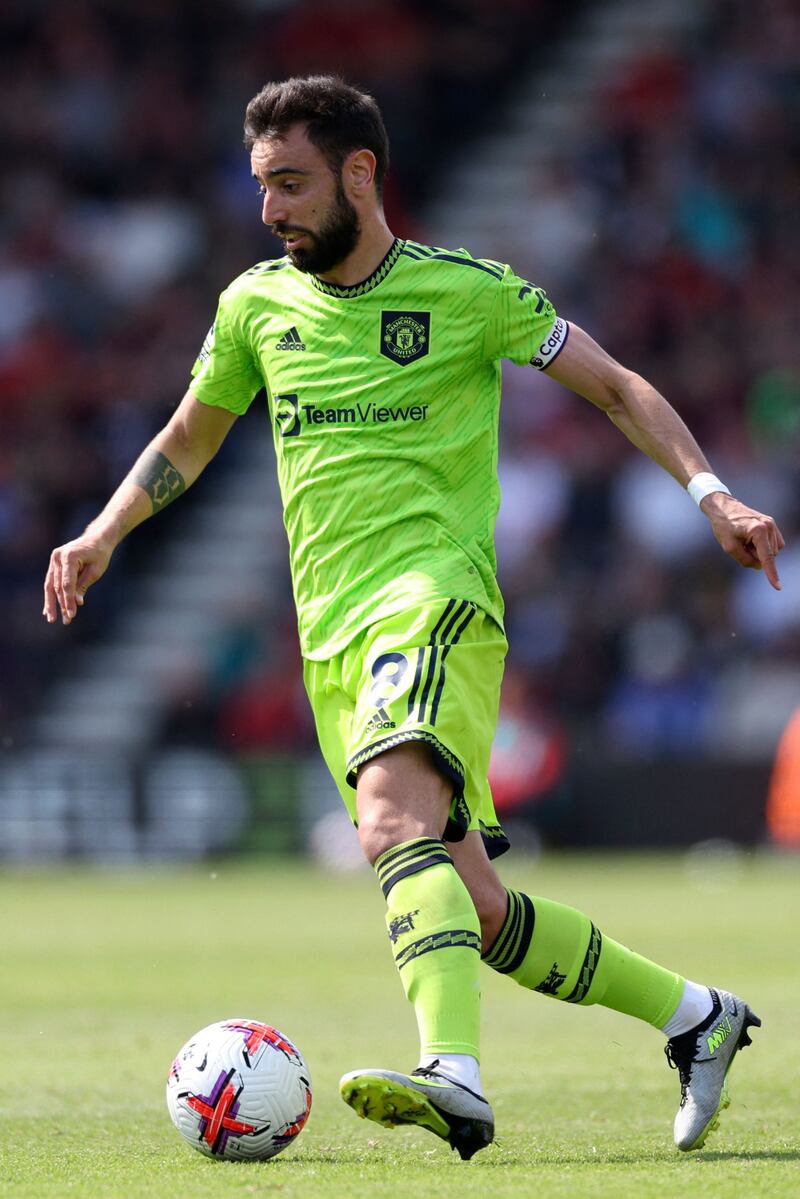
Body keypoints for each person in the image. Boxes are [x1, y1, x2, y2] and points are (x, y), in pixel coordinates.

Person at [43, 75, 783, 1160]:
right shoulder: (255, 305)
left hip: (432, 602)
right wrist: (105, 531)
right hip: (331, 639)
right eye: (260, 188)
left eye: (290, 184)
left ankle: (456, 1076)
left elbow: (618, 386)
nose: (270, 211)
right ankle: (696, 1016)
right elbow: (190, 434)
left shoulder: (468, 291)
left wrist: (707, 491)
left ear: (360, 173)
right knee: (474, 909)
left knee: (388, 825)